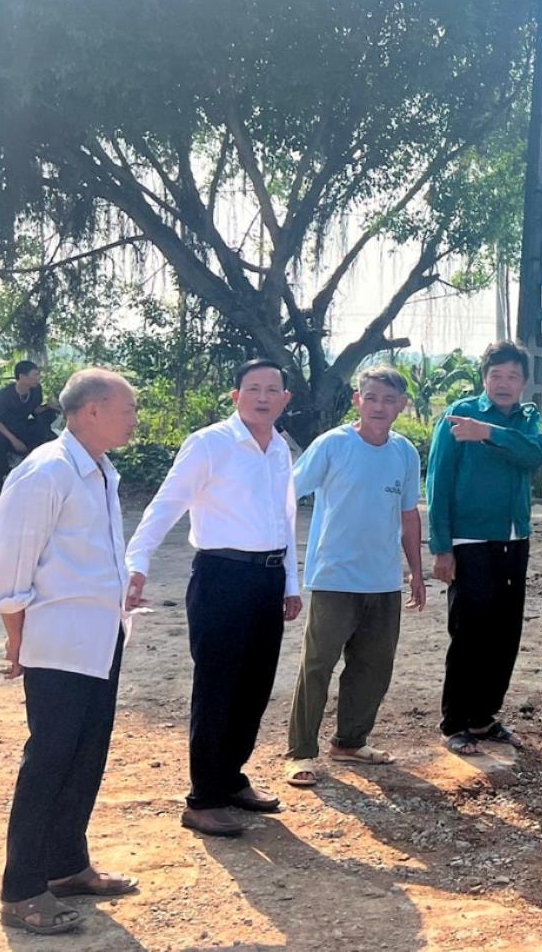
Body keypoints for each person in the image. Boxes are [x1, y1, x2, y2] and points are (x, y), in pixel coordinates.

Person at [0, 369, 140, 935]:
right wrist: (17, 635)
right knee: (49, 761)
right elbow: (8, 561)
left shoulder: (99, 469)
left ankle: (66, 865)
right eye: (127, 408)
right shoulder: (46, 471)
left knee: (85, 755)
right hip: (59, 642)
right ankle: (21, 890)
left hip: (100, 637)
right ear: (92, 410)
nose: (134, 418)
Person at [124, 359, 302, 837]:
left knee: (255, 686)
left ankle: (231, 778)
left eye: (272, 389)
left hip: (267, 578)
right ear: (235, 396)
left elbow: (285, 519)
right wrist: (136, 561)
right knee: (218, 686)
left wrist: (291, 583)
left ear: (285, 399)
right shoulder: (210, 444)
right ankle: (202, 798)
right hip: (221, 577)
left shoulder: (279, 448)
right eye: (252, 388)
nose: (263, 397)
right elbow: (166, 504)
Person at [283, 367, 424, 787]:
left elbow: (408, 514)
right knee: (318, 664)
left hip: (383, 581)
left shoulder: (405, 452)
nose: (380, 406)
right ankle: (301, 751)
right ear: (357, 400)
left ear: (401, 405)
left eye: (389, 399)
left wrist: (415, 572)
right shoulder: (333, 445)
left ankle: (350, 742)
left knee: (374, 666)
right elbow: (287, 495)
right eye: (372, 397)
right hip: (334, 577)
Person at [427, 340, 542, 755]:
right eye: (496, 375)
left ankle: (483, 718)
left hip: (514, 539)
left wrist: (490, 434)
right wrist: (441, 548)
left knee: (504, 631)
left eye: (513, 376)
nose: (504, 383)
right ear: (484, 378)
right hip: (470, 541)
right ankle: (455, 722)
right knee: (470, 632)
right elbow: (438, 482)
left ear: (524, 384)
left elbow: (534, 455)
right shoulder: (459, 415)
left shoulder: (528, 418)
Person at [0, 360, 60, 479]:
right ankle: (3, 475)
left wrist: (48, 407)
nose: (38, 378)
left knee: (43, 424)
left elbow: (34, 410)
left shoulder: (36, 390)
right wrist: (15, 441)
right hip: (2, 430)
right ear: (22, 377)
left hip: (20, 425)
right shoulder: (4, 395)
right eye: (35, 375)